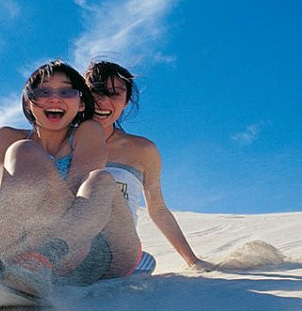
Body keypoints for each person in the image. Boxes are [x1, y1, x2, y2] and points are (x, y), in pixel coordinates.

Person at [0, 60, 149, 296]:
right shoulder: (6, 137)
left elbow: (79, 206)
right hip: (20, 241)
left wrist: (36, 170)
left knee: (99, 179)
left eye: (66, 91)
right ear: (29, 101)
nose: (55, 98)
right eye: (43, 91)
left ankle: (6, 256)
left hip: (81, 246)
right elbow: (6, 207)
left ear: (81, 105)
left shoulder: (88, 132)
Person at [84, 60, 211, 271]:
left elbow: (158, 209)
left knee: (142, 263)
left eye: (114, 94)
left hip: (119, 251)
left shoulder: (142, 150)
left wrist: (193, 261)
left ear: (126, 101)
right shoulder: (63, 143)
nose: (102, 101)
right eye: (95, 92)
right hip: (69, 247)